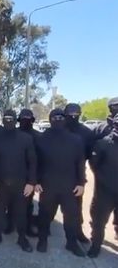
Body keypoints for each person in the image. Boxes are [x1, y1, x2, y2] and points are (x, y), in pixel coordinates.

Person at [36, 109, 86, 257]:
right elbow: (36, 162)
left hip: (70, 186)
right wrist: (36, 181)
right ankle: (42, 240)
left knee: (70, 217)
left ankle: (71, 243)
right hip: (47, 185)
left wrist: (81, 182)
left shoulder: (75, 139)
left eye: (60, 117)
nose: (58, 119)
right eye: (54, 117)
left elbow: (80, 162)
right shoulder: (42, 138)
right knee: (45, 215)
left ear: (64, 119)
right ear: (50, 119)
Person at [0, 110, 36, 252]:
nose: (8, 121)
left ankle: (22, 238)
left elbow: (32, 162)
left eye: (11, 119)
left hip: (21, 184)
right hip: (0, 183)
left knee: (21, 213)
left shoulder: (26, 138)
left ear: (16, 120)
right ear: (3, 120)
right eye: (6, 118)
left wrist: (31, 183)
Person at [87, 114, 118, 258]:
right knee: (99, 221)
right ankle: (96, 245)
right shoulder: (103, 144)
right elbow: (94, 165)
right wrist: (104, 180)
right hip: (105, 191)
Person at [64, 103, 93, 243]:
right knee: (48, 206)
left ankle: (78, 232)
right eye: (70, 115)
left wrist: (81, 179)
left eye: (76, 115)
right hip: (53, 174)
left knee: (76, 207)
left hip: (76, 175)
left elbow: (89, 155)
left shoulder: (86, 132)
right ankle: (45, 228)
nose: (73, 117)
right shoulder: (58, 129)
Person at [92, 96, 118, 239]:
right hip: (103, 178)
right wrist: (99, 174)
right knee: (99, 210)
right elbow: (92, 154)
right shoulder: (101, 128)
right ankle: (96, 232)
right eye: (115, 107)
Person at [17, 109, 41, 237]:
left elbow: (40, 160)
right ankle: (11, 224)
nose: (25, 121)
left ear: (32, 120)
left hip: (29, 177)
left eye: (28, 119)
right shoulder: (13, 134)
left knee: (27, 204)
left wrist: (35, 180)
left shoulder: (38, 137)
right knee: (12, 203)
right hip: (15, 175)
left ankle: (28, 227)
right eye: (23, 119)